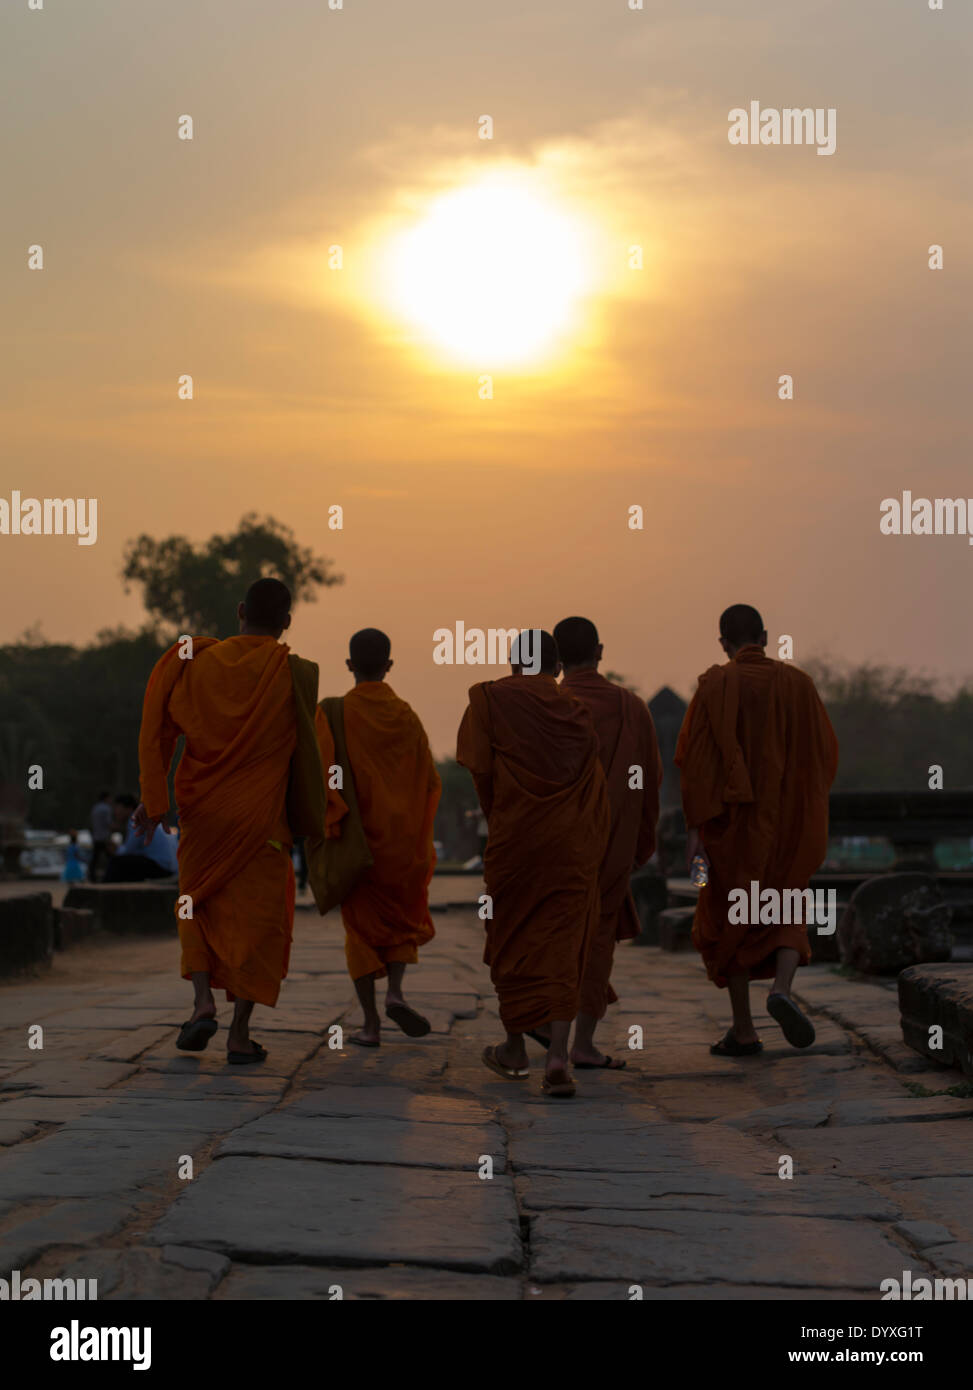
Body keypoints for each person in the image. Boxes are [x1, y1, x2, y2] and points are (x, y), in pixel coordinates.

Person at [135, 577, 326, 1063]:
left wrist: (152, 798)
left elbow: (157, 724)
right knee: (260, 923)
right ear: (286, 623)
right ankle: (239, 1034)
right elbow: (308, 752)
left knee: (192, 901)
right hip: (261, 818)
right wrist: (313, 816)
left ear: (240, 610)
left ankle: (201, 1002)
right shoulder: (295, 672)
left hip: (202, 810)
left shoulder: (191, 661)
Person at [675, 604, 839, 1056]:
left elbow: (696, 765)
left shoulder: (716, 686)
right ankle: (782, 990)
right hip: (789, 824)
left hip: (733, 828)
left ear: (723, 643)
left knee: (733, 918)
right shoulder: (799, 685)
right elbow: (824, 756)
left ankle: (744, 1030)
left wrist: (694, 833)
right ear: (765, 636)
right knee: (786, 902)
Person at [457, 629, 610, 1098]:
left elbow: (481, 773)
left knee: (513, 939)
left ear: (511, 662)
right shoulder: (577, 711)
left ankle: (515, 1048)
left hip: (515, 842)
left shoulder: (489, 699)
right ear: (557, 667)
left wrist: (502, 816)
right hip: (570, 848)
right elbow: (592, 784)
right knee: (565, 945)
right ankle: (559, 1056)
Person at [315, 628, 441, 1047]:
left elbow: (325, 775)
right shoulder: (406, 715)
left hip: (357, 843)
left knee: (361, 932)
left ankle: (370, 1024)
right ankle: (397, 992)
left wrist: (332, 819)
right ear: (389, 666)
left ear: (349, 665)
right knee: (401, 924)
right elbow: (427, 779)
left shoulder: (333, 712)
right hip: (401, 843)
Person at [552, 616, 661, 1069]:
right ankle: (582, 1044)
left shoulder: (548, 705)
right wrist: (640, 842)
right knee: (598, 937)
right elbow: (647, 781)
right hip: (612, 842)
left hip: (556, 845)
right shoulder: (631, 707)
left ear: (556, 659)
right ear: (599, 651)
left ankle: (546, 1037)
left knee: (557, 936)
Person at [106, 794, 179, 881]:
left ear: (128, 808)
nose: (115, 812)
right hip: (171, 867)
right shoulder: (147, 817)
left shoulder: (136, 819)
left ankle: (105, 890)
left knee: (116, 862)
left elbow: (129, 850)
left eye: (117, 808)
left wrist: (116, 849)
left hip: (161, 867)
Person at [88, 790, 113, 881]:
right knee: (110, 858)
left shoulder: (95, 808)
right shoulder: (106, 808)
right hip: (104, 837)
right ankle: (110, 876)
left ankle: (92, 877)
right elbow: (108, 823)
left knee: (95, 859)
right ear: (106, 798)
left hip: (96, 837)